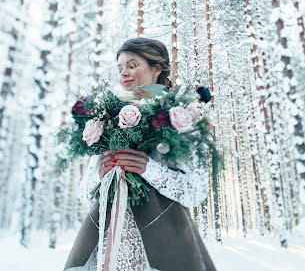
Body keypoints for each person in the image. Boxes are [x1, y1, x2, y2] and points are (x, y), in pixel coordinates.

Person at [64, 38, 217, 271]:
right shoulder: (108, 120)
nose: (123, 73)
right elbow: (85, 195)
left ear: (157, 69)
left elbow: (196, 191)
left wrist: (149, 168)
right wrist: (100, 173)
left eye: (132, 65)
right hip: (109, 244)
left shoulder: (179, 119)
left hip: (162, 243)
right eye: (120, 68)